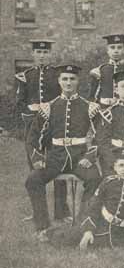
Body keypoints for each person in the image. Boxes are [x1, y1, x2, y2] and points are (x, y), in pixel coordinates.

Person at [25, 64, 102, 242]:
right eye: (65, 79)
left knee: (95, 179)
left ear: (78, 81)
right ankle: (43, 227)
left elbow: (100, 135)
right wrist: (37, 158)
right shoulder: (48, 107)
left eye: (72, 79)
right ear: (59, 81)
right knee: (33, 179)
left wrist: (89, 157)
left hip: (79, 158)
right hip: (54, 158)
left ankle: (83, 224)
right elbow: (33, 137)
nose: (68, 82)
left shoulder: (90, 107)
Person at [15, 39, 68, 222]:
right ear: (33, 54)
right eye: (38, 52)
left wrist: (49, 109)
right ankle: (37, 212)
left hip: (53, 127)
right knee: (34, 168)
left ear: (50, 54)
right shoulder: (26, 75)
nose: (42, 56)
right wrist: (30, 110)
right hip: (33, 126)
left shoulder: (57, 74)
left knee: (58, 165)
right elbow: (20, 102)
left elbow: (63, 98)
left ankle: (62, 212)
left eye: (45, 53)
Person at [79, 148, 124, 250]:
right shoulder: (107, 182)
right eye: (121, 165)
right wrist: (88, 230)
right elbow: (93, 206)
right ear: (115, 167)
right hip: (104, 226)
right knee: (68, 237)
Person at [88, 34, 124, 107]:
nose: (116, 51)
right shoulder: (99, 71)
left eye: (119, 48)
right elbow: (92, 96)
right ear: (107, 50)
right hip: (104, 108)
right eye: (112, 48)